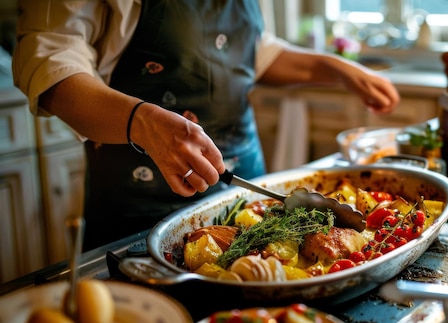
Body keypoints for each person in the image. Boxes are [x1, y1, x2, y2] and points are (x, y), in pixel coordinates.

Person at [13, 0, 400, 251]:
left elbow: (252, 50)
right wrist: (143, 122)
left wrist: (332, 66)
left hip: (251, 188)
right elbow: (49, 60)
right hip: (140, 209)